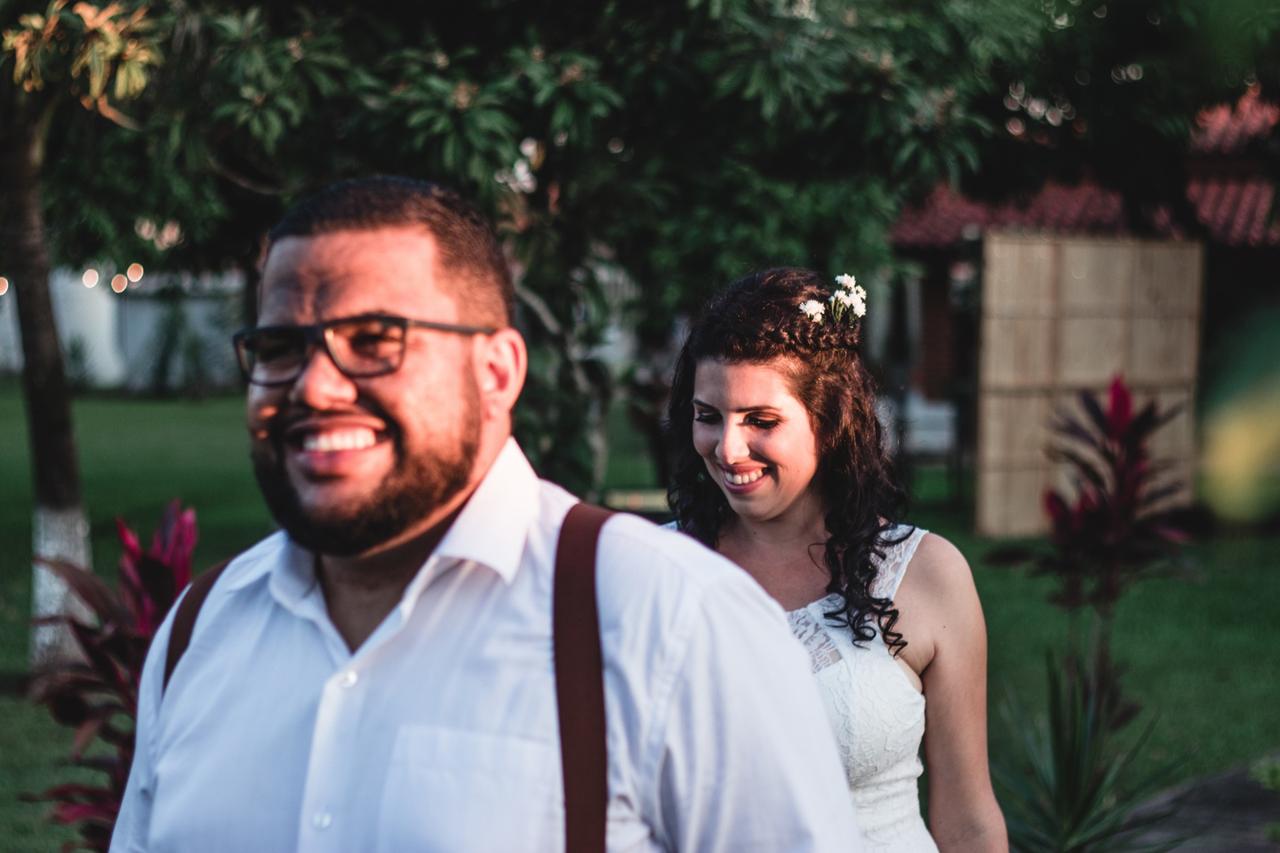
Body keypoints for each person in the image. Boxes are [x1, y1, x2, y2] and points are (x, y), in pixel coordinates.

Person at [110, 178, 863, 852]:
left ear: (496, 371)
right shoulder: (200, 632)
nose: (314, 387)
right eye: (280, 346)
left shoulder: (671, 623)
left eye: (374, 341)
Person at [665, 268, 1007, 852]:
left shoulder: (927, 575)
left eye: (761, 421)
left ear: (829, 422)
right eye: (708, 415)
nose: (726, 448)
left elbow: (968, 818)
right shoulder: (657, 569)